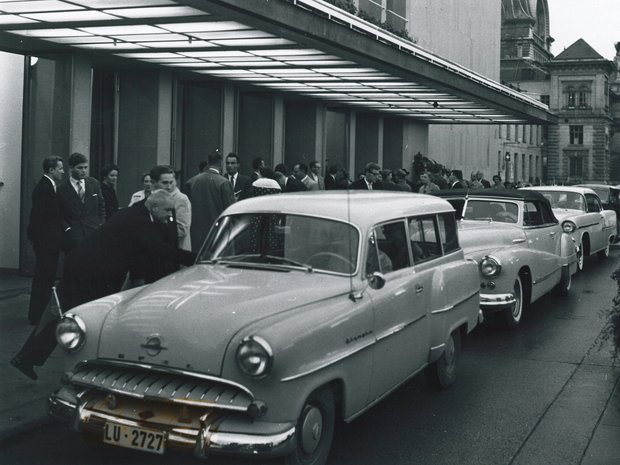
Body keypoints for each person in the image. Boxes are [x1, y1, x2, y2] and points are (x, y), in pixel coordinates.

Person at [10, 190, 196, 380]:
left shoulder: (136, 213)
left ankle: (27, 357)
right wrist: (195, 259)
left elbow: (137, 250)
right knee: (84, 317)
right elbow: (157, 248)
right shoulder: (140, 220)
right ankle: (75, 363)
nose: (168, 217)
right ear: (154, 207)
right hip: (90, 273)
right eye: (167, 212)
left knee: (62, 313)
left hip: (83, 267)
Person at [26, 156, 65, 326]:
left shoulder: (48, 186)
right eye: (60, 168)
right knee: (44, 278)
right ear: (51, 170)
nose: (63, 171)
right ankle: (36, 315)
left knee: (45, 278)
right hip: (46, 243)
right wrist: (38, 240)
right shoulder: (45, 189)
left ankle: (38, 314)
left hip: (48, 242)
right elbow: (37, 218)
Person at [185, 150, 235, 253]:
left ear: (208, 162)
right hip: (217, 233)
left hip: (195, 233)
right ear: (221, 163)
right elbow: (230, 211)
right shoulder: (224, 182)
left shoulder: (191, 181)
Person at [57, 152, 105, 252]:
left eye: (85, 167)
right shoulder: (62, 189)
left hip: (93, 232)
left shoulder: (94, 184)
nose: (83, 171)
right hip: (74, 236)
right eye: (80, 168)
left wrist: (100, 224)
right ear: (71, 168)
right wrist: (68, 229)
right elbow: (60, 213)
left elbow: (101, 206)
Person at [150, 165, 192, 251]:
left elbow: (181, 230)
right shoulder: (152, 197)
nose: (169, 187)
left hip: (175, 251)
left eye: (171, 182)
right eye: (165, 183)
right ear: (154, 183)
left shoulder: (180, 199)